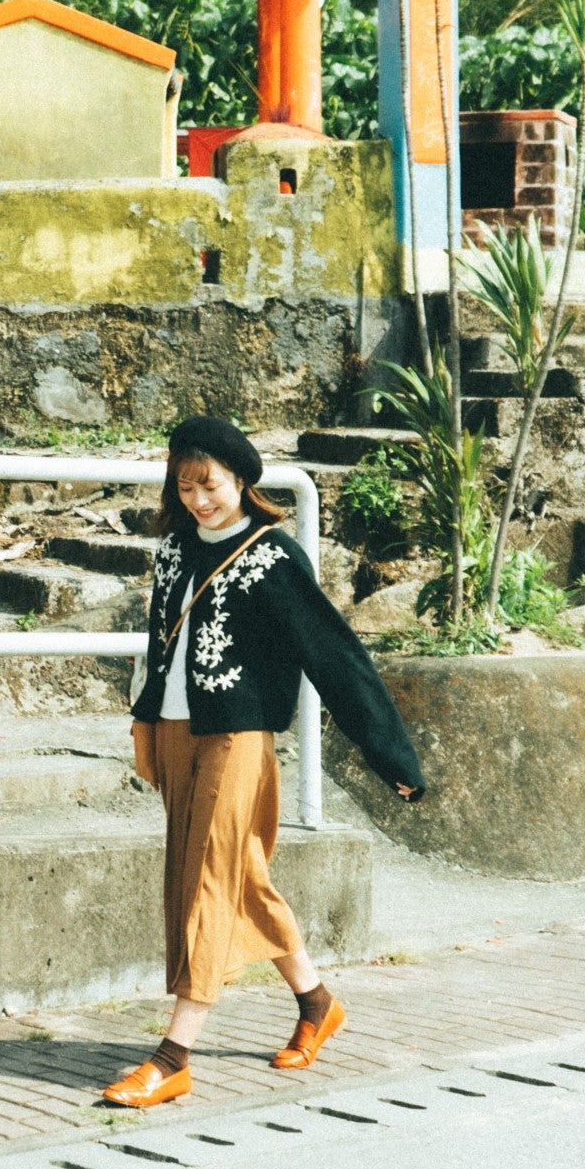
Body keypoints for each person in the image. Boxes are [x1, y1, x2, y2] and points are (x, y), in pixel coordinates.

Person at [101, 415, 427, 1110]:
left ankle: (173, 1055)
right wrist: (141, 722)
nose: (197, 499)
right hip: (174, 733)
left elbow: (335, 656)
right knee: (239, 875)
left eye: (209, 484)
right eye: (185, 486)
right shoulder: (173, 553)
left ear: (241, 479)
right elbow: (154, 644)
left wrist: (388, 754)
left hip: (237, 738)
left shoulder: (272, 560)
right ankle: (317, 1003)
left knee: (206, 884)